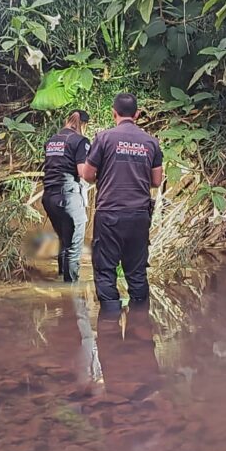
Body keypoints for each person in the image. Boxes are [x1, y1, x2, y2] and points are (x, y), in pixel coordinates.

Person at [82, 93, 163, 314]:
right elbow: (156, 181)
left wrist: (104, 176)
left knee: (105, 271)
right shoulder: (151, 141)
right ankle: (140, 328)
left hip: (109, 215)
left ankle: (110, 330)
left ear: (113, 113)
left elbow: (88, 174)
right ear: (137, 114)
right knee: (137, 273)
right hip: (138, 216)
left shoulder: (104, 138)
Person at [41, 109, 91, 282]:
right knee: (74, 247)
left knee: (64, 239)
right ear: (83, 125)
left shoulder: (51, 141)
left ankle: (62, 278)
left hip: (49, 198)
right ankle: (71, 294)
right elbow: (83, 172)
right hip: (68, 197)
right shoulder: (80, 141)